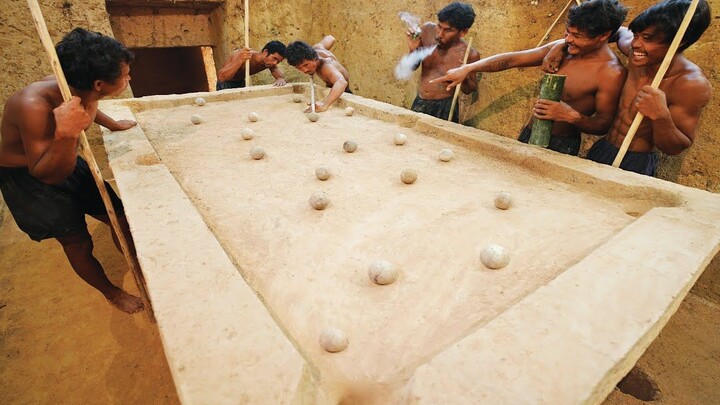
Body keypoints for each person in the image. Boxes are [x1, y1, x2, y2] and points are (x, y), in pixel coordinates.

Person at [0, 28, 145, 314]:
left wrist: (113, 124)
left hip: (64, 156)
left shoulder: (80, 89)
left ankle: (140, 266)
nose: (129, 79)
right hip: (31, 179)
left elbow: (90, 106)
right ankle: (111, 292)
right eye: (125, 75)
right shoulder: (33, 105)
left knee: (120, 218)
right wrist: (67, 134)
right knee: (78, 243)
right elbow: (47, 173)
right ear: (100, 83)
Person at [432, 0, 628, 155]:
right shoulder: (564, 47)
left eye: (577, 36)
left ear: (603, 36)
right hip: (529, 132)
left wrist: (570, 115)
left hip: (561, 146)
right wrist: (468, 68)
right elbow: (513, 59)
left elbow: (603, 123)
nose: (568, 39)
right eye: (567, 32)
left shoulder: (611, 73)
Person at [582, 0, 712, 176]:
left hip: (636, 162)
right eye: (637, 35)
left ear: (679, 42)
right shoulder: (638, 54)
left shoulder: (690, 84)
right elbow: (619, 31)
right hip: (604, 147)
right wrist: (562, 47)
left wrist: (661, 116)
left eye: (648, 39)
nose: (635, 44)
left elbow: (676, 147)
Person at [405, 2, 480, 123]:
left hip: (446, 108)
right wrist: (413, 50)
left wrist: (464, 74)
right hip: (420, 101)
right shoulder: (427, 30)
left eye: (448, 30)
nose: (440, 34)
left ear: (463, 32)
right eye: (439, 26)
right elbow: (412, 67)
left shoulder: (469, 54)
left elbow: (469, 89)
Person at [286, 36, 350, 112]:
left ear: (314, 58)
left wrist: (324, 104)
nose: (304, 70)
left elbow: (342, 83)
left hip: (343, 92)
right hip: (331, 89)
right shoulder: (316, 48)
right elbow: (331, 38)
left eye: (306, 65)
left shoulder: (327, 67)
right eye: (299, 67)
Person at [216, 40, 287, 90]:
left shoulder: (268, 63)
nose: (275, 63)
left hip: (241, 83)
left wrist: (280, 79)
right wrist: (240, 60)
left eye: (278, 61)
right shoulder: (243, 55)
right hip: (226, 84)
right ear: (265, 52)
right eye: (274, 58)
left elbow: (279, 76)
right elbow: (221, 77)